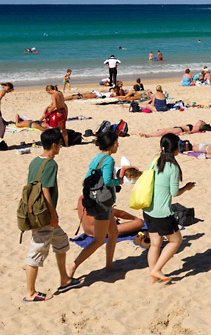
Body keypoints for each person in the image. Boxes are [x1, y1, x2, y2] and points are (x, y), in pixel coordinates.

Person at [23, 128, 81, 302]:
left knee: (62, 242)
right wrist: (53, 214)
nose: (61, 147)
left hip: (33, 210)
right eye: (61, 144)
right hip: (44, 215)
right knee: (36, 251)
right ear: (54, 145)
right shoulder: (50, 164)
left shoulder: (34, 161)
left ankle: (64, 279)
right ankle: (30, 293)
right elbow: (45, 190)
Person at [67, 131, 123, 279]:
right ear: (111, 144)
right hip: (102, 203)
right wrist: (120, 181)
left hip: (98, 200)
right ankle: (73, 265)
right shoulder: (109, 160)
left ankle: (109, 266)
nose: (118, 144)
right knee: (98, 240)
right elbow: (108, 181)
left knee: (114, 234)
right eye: (116, 142)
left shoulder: (97, 158)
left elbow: (88, 179)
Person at [143, 133, 196, 284]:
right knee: (176, 240)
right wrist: (186, 188)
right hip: (161, 212)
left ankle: (153, 279)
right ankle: (157, 270)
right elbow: (174, 193)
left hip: (148, 208)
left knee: (155, 244)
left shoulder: (155, 161)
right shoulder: (173, 166)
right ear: (175, 147)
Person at [76, 196, 144, 238]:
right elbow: (120, 213)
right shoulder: (98, 200)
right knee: (139, 222)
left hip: (87, 231)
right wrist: (134, 218)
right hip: (100, 233)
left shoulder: (81, 198)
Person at [139, 120, 211, 138]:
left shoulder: (197, 128)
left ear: (201, 124)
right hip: (178, 128)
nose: (197, 121)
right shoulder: (195, 126)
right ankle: (149, 134)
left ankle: (148, 135)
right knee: (163, 130)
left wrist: (183, 133)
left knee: (165, 131)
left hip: (180, 130)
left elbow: (191, 132)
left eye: (199, 122)